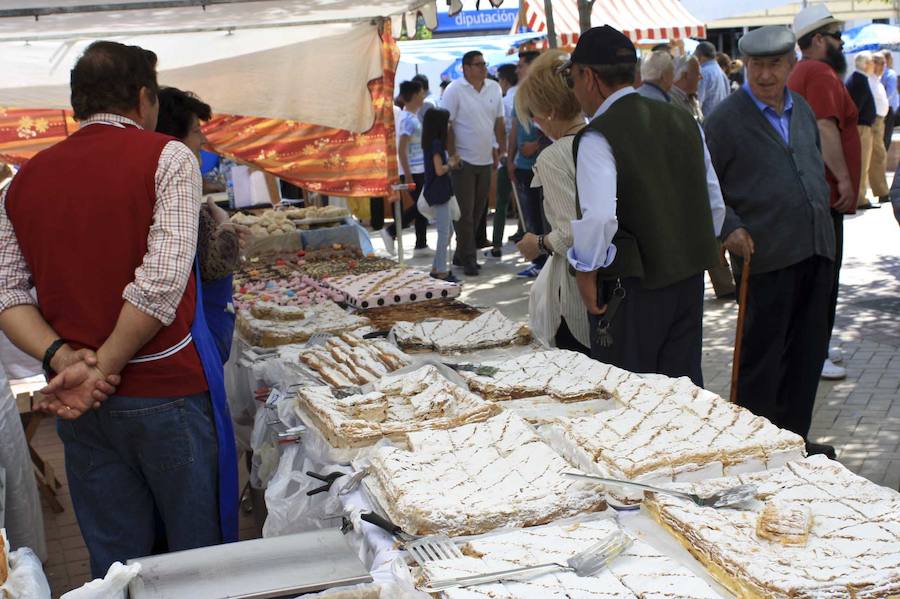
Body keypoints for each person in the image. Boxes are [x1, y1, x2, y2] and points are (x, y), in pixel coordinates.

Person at [0, 41, 237, 577]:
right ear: (143, 98)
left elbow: (8, 294)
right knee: (194, 561)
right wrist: (99, 368)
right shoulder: (169, 156)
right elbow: (160, 284)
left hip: (85, 406)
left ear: (77, 104)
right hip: (163, 388)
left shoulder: (24, 180)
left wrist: (65, 361)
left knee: (118, 563)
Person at [562, 26, 725, 386]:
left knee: (631, 400)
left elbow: (601, 216)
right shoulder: (683, 119)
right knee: (682, 396)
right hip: (686, 282)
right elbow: (714, 202)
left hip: (631, 291)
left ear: (588, 77)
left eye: (572, 78)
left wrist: (585, 272)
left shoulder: (598, 134)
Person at [705, 26, 836, 459]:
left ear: (789, 65)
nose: (765, 75)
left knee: (807, 353)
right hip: (765, 256)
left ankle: (795, 441)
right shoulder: (724, 120)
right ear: (746, 66)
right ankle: (757, 449)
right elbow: (708, 187)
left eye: (774, 64)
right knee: (761, 362)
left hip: (815, 248)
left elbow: (811, 164)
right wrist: (731, 227)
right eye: (757, 65)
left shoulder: (801, 108)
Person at [788, 4, 861, 382]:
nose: (840, 43)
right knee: (822, 283)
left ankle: (817, 346)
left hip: (817, 196)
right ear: (817, 40)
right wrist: (846, 181)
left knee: (820, 281)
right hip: (826, 196)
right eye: (835, 37)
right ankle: (814, 354)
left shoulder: (808, 70)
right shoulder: (818, 71)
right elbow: (826, 127)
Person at [155, 87, 243, 363]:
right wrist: (225, 226)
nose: (202, 140)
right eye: (195, 130)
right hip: (196, 332)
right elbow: (213, 263)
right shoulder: (177, 191)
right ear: (175, 139)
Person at [514, 50, 591, 353]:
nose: (534, 122)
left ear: (547, 112)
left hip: (576, 294)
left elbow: (572, 232)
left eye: (532, 114)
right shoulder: (601, 138)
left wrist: (539, 243)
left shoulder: (555, 156)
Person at [669, 56, 736, 299]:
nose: (701, 78)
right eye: (696, 74)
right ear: (683, 76)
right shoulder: (672, 101)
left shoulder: (690, 98)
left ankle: (724, 283)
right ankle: (723, 283)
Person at [441, 51, 506, 276]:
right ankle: (469, 258)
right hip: (463, 161)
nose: (483, 68)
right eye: (478, 64)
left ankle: (461, 253)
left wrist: (501, 148)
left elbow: (499, 121)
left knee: (479, 211)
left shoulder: (494, 88)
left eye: (484, 64)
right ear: (466, 68)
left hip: (486, 159)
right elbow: (446, 125)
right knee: (465, 213)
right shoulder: (454, 90)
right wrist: (452, 155)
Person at [507, 50, 549, 279]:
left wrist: (537, 143)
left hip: (544, 164)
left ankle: (547, 260)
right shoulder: (518, 94)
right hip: (523, 166)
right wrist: (510, 157)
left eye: (521, 65)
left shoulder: (544, 91)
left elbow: (557, 123)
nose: (517, 69)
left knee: (546, 215)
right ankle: (538, 261)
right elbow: (514, 128)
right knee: (531, 215)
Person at [382, 80, 432, 257]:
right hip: (414, 170)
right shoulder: (408, 119)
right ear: (412, 96)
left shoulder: (413, 116)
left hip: (420, 168)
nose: (423, 96)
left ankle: (421, 244)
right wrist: (408, 175)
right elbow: (402, 148)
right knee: (424, 204)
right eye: (420, 93)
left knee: (422, 207)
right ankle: (391, 231)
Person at [422, 108, 460, 283]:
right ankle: (442, 272)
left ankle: (437, 266)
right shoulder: (436, 143)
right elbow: (439, 170)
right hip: (439, 191)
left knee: (448, 230)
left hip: (436, 189)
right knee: (444, 232)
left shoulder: (429, 142)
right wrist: (451, 164)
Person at [487, 63, 519, 259]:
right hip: (526, 157)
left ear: (504, 81)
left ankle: (497, 245)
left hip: (506, 156)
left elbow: (497, 131)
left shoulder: (504, 102)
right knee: (529, 202)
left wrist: (499, 155)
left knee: (501, 202)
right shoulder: (526, 97)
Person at [846, 52, 884, 210]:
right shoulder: (859, 80)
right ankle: (860, 199)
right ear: (865, 64)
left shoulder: (860, 79)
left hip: (863, 127)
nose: (874, 66)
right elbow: (856, 107)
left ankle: (861, 197)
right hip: (861, 128)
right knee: (862, 165)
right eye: (871, 62)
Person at [868, 52, 891, 206]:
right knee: (878, 156)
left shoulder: (876, 80)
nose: (883, 66)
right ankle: (882, 192)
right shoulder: (869, 80)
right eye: (879, 63)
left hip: (880, 121)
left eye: (884, 63)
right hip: (874, 121)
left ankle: (882, 191)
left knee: (879, 156)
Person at [696, 41, 730, 117]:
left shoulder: (703, 73)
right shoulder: (721, 72)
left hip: (708, 122)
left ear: (699, 56)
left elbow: (698, 103)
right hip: (722, 119)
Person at [670, 55, 703, 122]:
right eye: (698, 74)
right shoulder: (669, 99)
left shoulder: (692, 97)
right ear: (685, 75)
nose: (701, 77)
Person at [881, 51, 898, 152]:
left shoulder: (890, 74)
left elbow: (889, 94)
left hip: (888, 109)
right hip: (885, 108)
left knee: (885, 138)